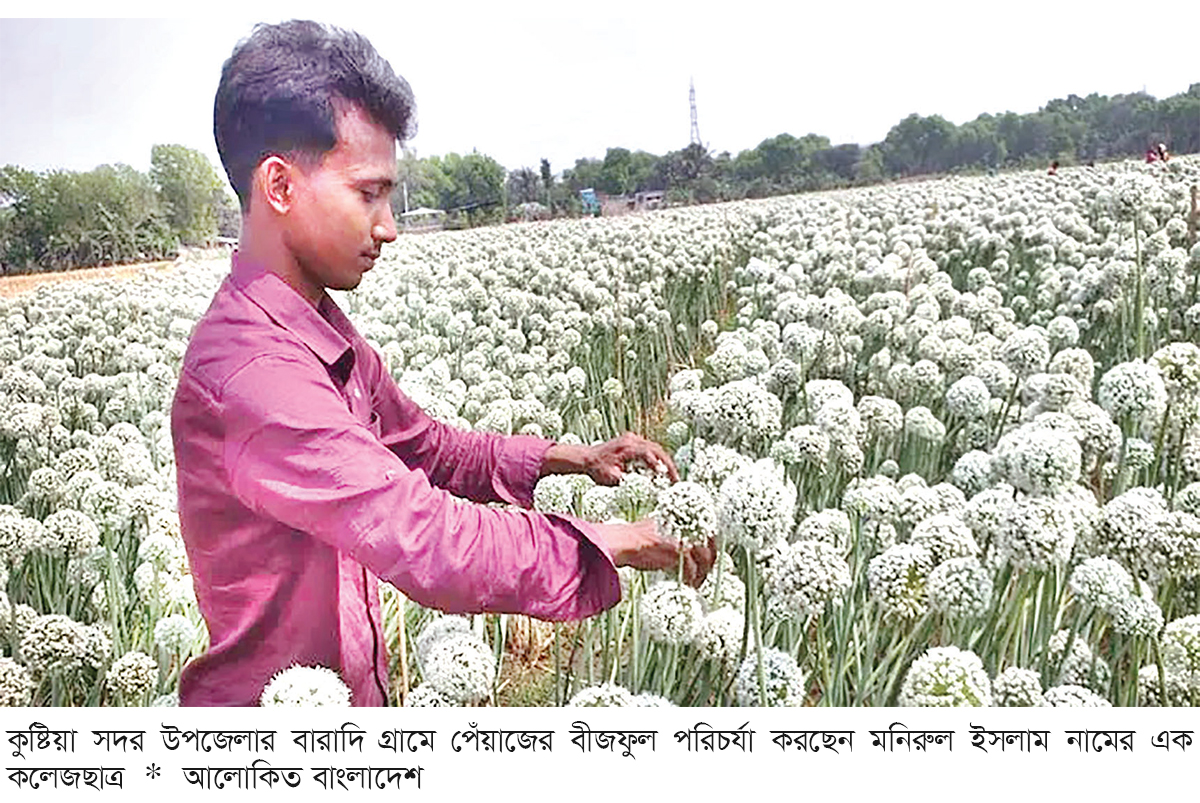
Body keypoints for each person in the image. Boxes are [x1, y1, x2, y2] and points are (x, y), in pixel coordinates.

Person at [172, 20, 715, 707]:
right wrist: (613, 540)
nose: (389, 225)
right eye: (368, 193)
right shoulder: (254, 374)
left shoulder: (318, 334)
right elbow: (423, 535)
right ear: (279, 186)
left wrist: (570, 457)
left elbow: (425, 448)